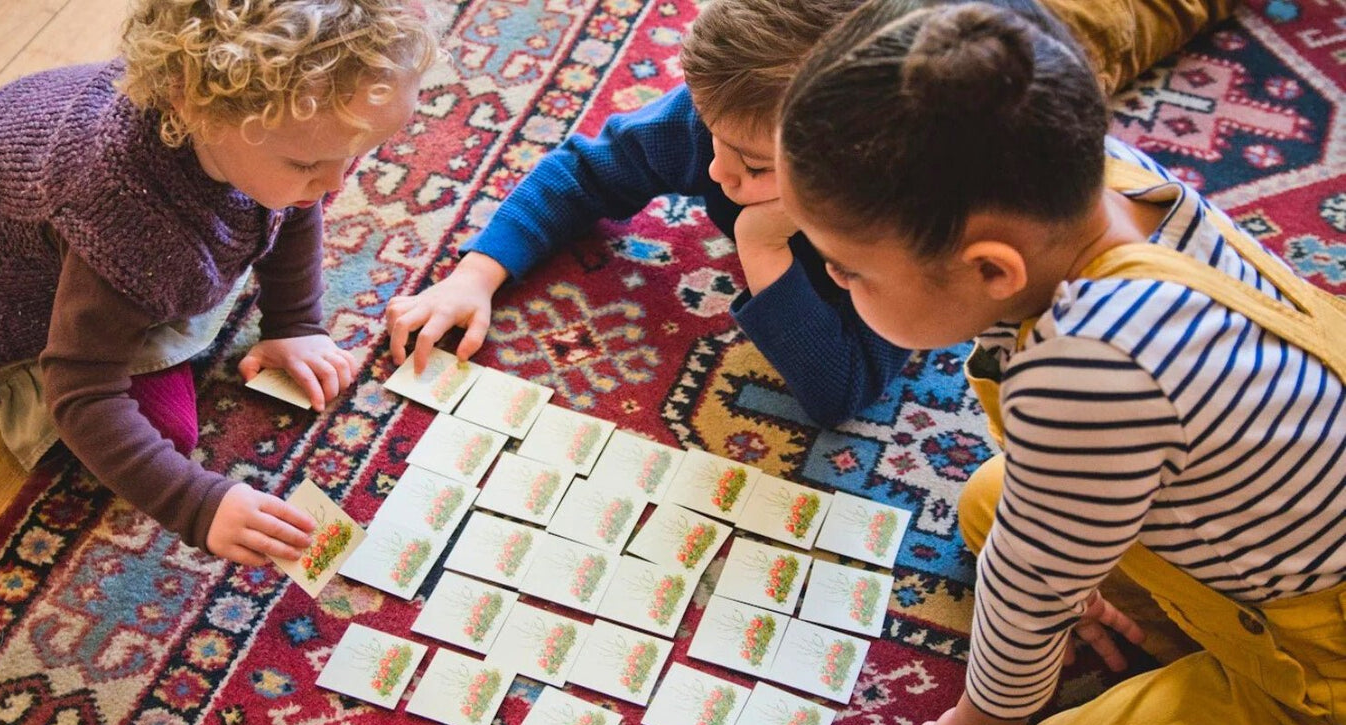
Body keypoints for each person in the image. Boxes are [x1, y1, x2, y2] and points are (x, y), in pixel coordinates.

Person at [778, 2, 1346, 725]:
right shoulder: (1106, 179)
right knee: (990, 502)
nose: (833, 280)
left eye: (847, 268)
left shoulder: (1088, 368)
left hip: (1322, 685)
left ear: (991, 269)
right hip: (1282, 542)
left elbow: (1029, 586)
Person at [381, 0, 1234, 427]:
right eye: (711, 137)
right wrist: (475, 273)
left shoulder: (898, 222)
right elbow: (588, 170)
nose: (711, 170)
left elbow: (844, 387)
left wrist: (765, 248)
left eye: (752, 167)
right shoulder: (714, 126)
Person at [0, 0, 441, 565]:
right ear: (194, 107)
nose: (338, 179)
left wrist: (295, 324)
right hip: (11, 287)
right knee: (165, 431)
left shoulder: (274, 139)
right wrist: (200, 504)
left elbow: (294, 207)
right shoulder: (122, 220)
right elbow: (82, 391)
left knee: (275, 199)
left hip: (104, 232)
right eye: (306, 163)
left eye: (357, 154)